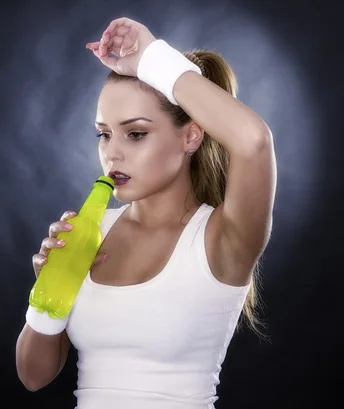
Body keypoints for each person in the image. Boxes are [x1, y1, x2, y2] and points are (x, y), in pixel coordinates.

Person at [15, 16, 276, 409]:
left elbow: (254, 142)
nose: (112, 153)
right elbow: (33, 376)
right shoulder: (89, 233)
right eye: (104, 134)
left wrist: (152, 58)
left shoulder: (223, 237)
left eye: (135, 133)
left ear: (191, 135)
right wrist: (48, 292)